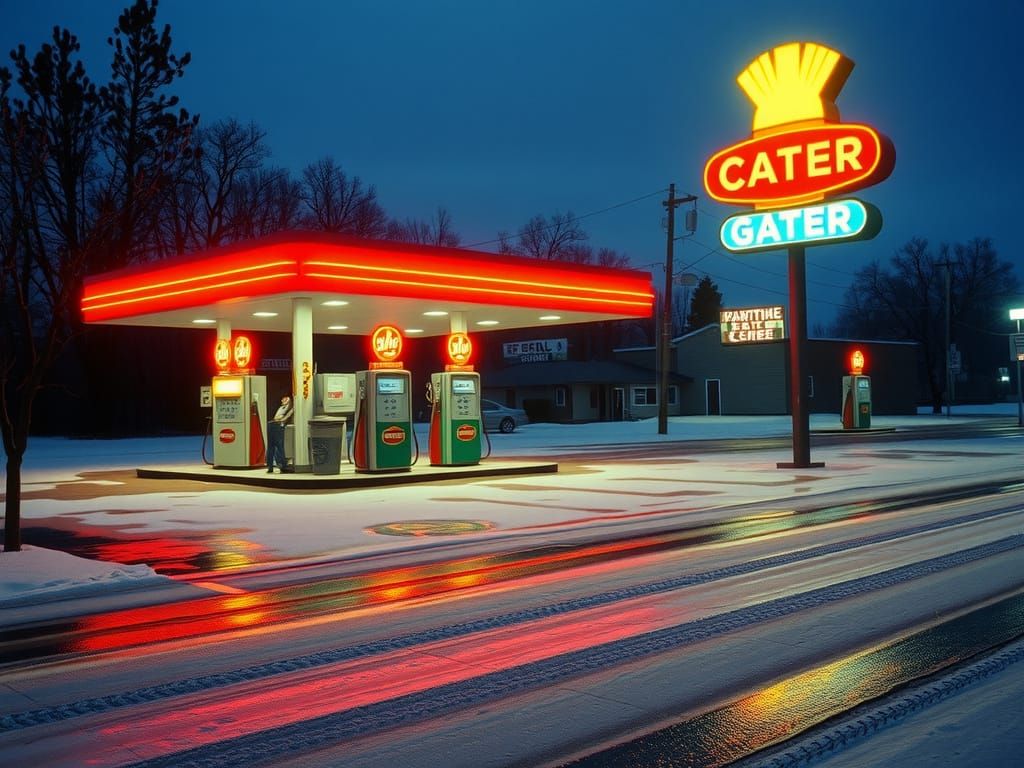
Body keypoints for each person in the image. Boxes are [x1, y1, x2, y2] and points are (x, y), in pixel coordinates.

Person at [266, 394, 293, 473]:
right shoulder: (287, 407)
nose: (283, 400)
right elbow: (285, 417)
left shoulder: (280, 407)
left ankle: (270, 466)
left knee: (271, 446)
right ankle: (282, 465)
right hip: (278, 425)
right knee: (279, 446)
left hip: (271, 424)